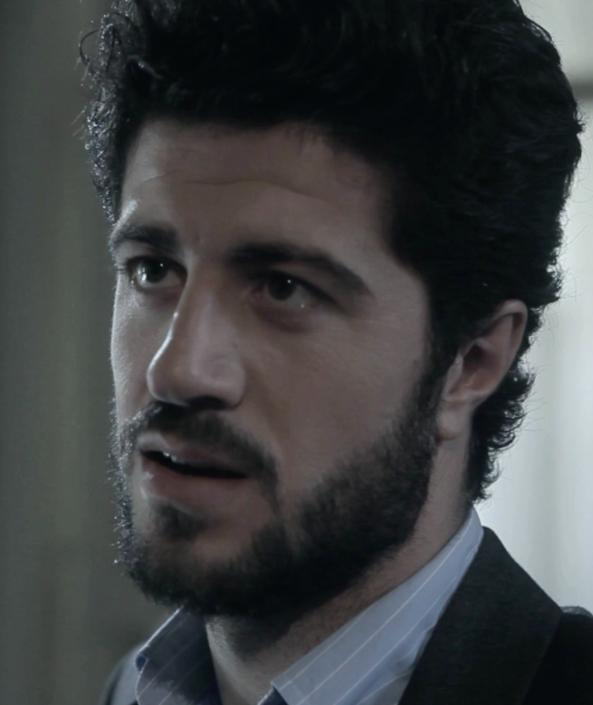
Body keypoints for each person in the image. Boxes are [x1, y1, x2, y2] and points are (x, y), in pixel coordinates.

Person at [82, 1, 592, 703]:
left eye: (283, 288)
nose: (175, 370)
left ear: (471, 363)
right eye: (153, 270)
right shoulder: (132, 689)